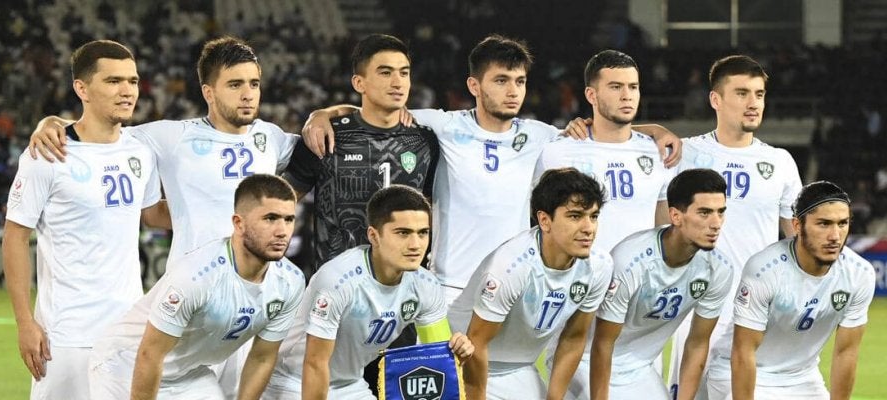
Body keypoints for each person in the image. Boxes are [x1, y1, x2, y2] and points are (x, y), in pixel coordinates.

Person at [303, 35, 681, 309]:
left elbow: (609, 132)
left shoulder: (542, 137)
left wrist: (653, 131)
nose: (513, 91)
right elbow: (378, 111)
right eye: (501, 80)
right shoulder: (443, 126)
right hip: (449, 287)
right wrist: (324, 114)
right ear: (475, 85)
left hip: (513, 284)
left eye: (520, 81)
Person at [27, 36, 300, 397]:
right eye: (235, 84)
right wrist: (51, 122)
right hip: (191, 302)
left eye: (254, 84)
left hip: (250, 302)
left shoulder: (272, 138)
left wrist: (324, 115)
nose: (248, 94)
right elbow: (100, 127)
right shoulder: (171, 137)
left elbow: (321, 146)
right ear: (208, 92)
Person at [2, 40, 164, 399]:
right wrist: (24, 322)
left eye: (133, 81)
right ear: (82, 88)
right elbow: (15, 236)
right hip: (66, 336)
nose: (127, 91)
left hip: (128, 330)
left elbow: (154, 214)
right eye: (113, 81)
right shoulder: (47, 154)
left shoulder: (141, 150)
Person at [535, 49, 675, 399]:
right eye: (615, 87)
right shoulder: (561, 152)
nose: (627, 95)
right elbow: (540, 229)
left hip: (636, 314)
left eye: (633, 87)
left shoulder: (657, 153)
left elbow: (662, 233)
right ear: (591, 95)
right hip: (577, 307)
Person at [89, 174, 305, 400]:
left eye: (289, 219)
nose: (282, 231)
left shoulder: (291, 282)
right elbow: (149, 355)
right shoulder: (197, 276)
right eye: (270, 218)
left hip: (188, 374)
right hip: (126, 364)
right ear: (238, 223)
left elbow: (262, 358)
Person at [669, 55, 803, 397]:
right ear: (716, 99)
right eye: (742, 93)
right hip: (695, 305)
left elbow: (798, 240)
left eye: (759, 94)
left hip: (756, 310)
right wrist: (653, 130)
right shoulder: (685, 154)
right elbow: (625, 140)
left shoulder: (779, 162)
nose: (753, 103)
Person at [263, 185, 473, 400]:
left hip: (350, 384)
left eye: (423, 233)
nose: (415, 245)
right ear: (374, 236)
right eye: (403, 233)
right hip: (292, 382)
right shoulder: (338, 280)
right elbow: (315, 363)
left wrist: (456, 352)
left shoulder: (426, 284)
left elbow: (437, 359)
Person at [448, 167, 613, 400]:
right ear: (544, 220)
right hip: (461, 364)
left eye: (593, 216)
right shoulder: (511, 266)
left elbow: (573, 338)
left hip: (520, 367)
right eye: (575, 216)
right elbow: (476, 344)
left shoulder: (599, 266)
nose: (588, 228)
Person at [283, 33, 439, 270]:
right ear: (359, 83)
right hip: (336, 282)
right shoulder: (326, 136)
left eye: (404, 73)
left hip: (404, 283)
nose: (398, 82)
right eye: (385, 73)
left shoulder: (425, 141)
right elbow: (283, 201)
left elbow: (429, 209)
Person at [590, 169, 734, 400]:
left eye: (721, 212)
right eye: (705, 213)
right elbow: (602, 343)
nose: (716, 223)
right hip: (587, 360)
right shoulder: (630, 260)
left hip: (638, 368)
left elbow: (697, 343)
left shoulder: (718, 269)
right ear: (675, 216)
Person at [724, 181, 875, 400]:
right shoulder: (765, 270)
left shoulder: (860, 273)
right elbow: (743, 353)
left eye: (842, 223)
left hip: (804, 378)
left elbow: (846, 352)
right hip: (749, 374)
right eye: (824, 224)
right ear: (797, 225)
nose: (835, 235)